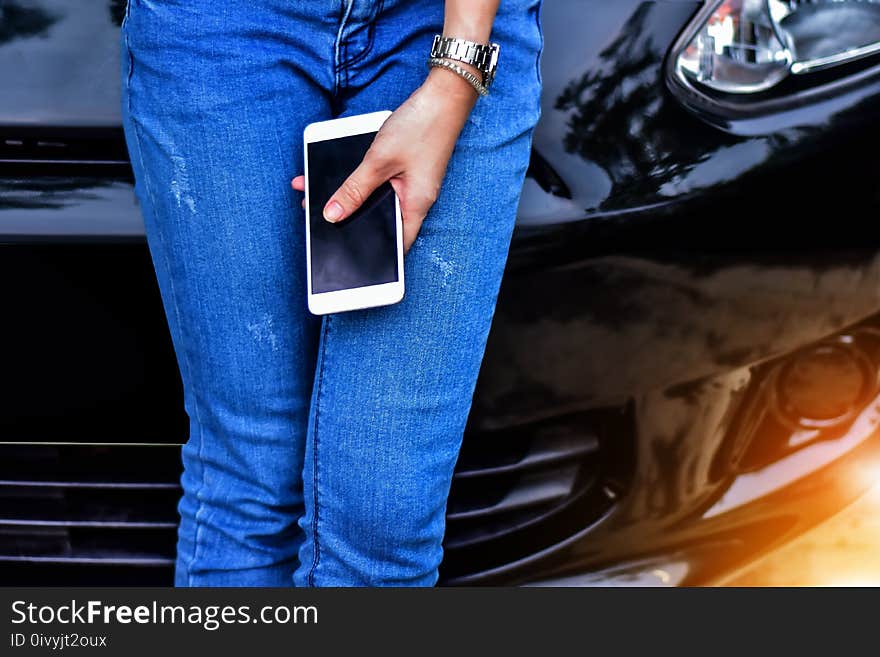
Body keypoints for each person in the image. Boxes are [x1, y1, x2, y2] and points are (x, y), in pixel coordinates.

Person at [120, 0, 543, 587]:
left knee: (384, 516)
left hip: (441, 24)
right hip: (220, 28)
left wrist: (455, 76)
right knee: (251, 481)